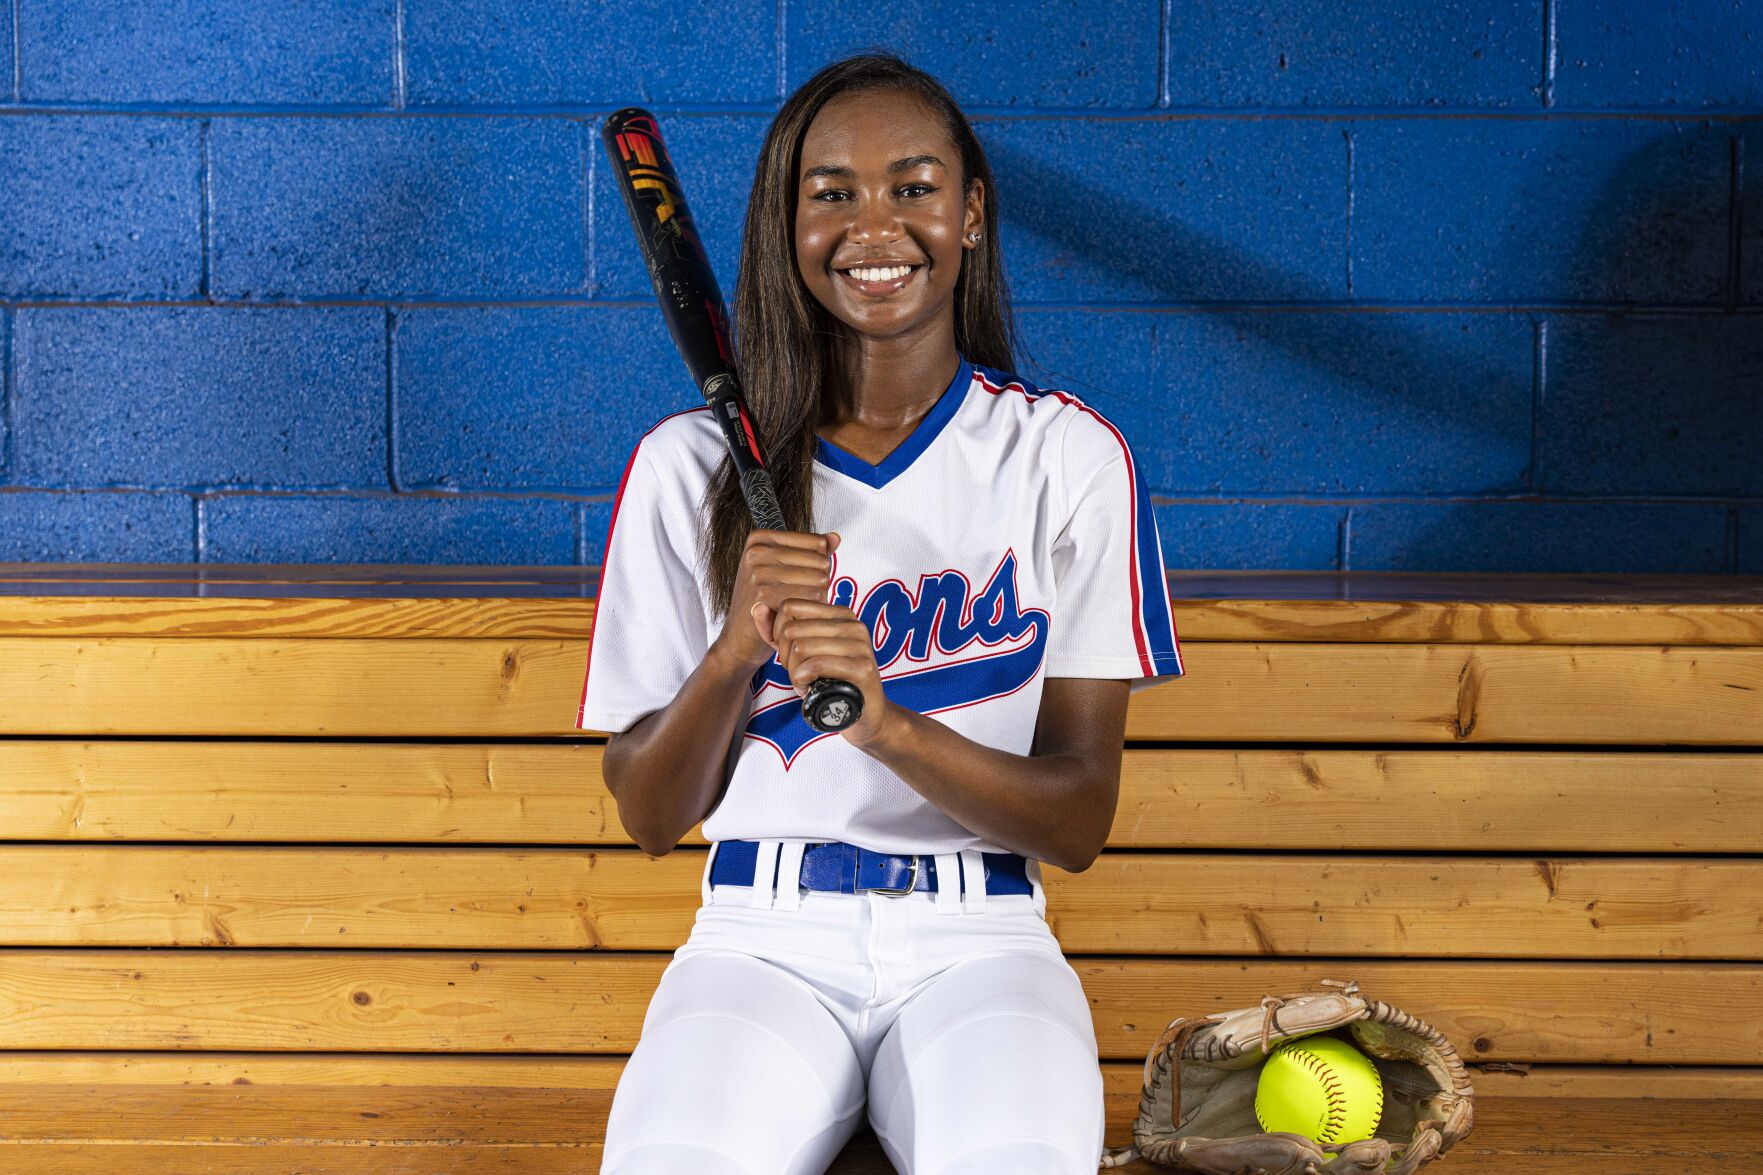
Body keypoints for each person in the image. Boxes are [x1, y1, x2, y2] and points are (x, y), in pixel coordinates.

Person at [577, 52, 1183, 1175]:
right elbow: (650, 814)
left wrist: (884, 722)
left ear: (970, 214)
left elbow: (1077, 819)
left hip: (981, 938)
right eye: (831, 192)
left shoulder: (1063, 459)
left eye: (912, 187)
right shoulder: (685, 467)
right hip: (758, 936)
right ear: (786, 220)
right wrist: (731, 653)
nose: (874, 225)